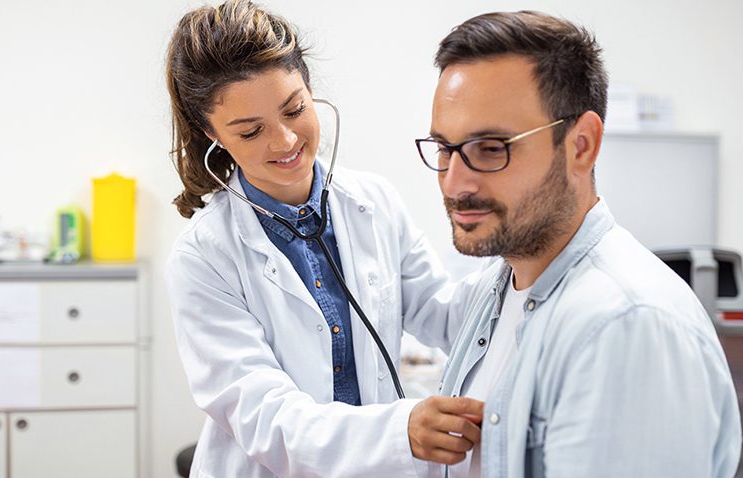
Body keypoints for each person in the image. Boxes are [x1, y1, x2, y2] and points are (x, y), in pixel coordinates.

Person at [415, 10, 742, 477]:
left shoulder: (624, 326)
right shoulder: (499, 284)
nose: (455, 183)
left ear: (581, 145)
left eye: (491, 148)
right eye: (445, 149)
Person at [164, 1, 483, 476]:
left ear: (311, 91)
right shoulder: (202, 257)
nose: (285, 141)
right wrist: (397, 432)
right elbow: (266, 417)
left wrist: (518, 252)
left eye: (294, 109)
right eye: (250, 132)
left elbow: (442, 312)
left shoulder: (372, 202)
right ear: (211, 134)